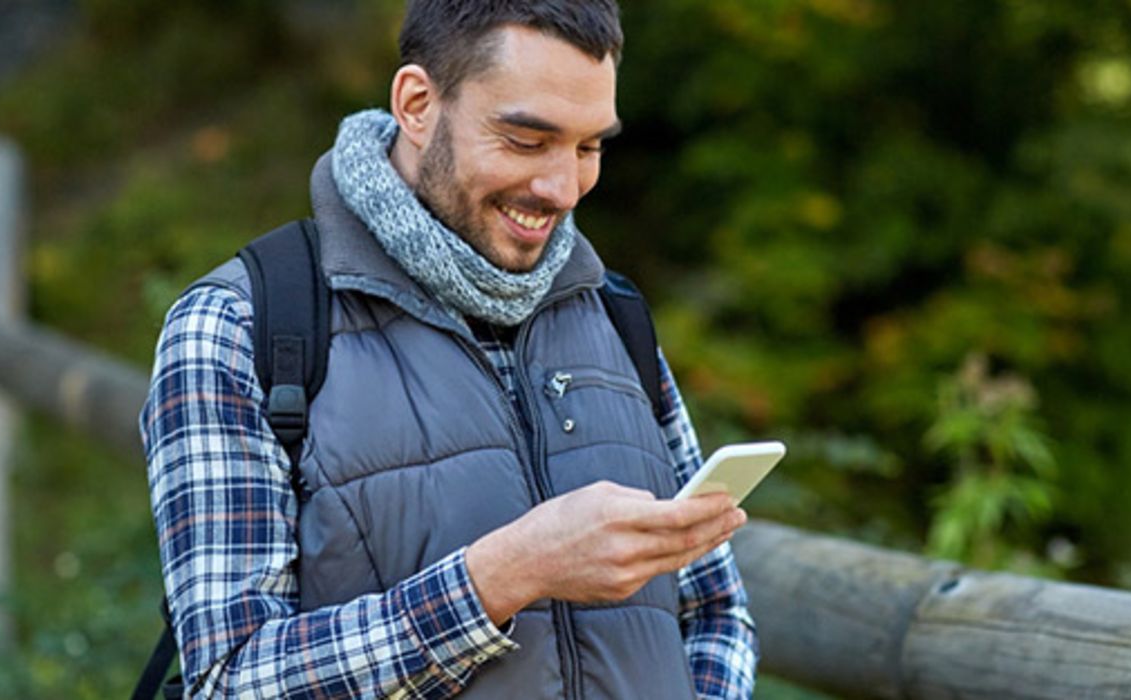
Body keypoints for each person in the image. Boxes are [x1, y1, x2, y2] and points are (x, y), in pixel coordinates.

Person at [141, 1, 759, 697]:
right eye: (527, 140)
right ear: (416, 104)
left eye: (588, 148)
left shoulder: (611, 313)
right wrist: (501, 576)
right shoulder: (239, 326)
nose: (562, 189)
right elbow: (229, 680)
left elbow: (715, 611)